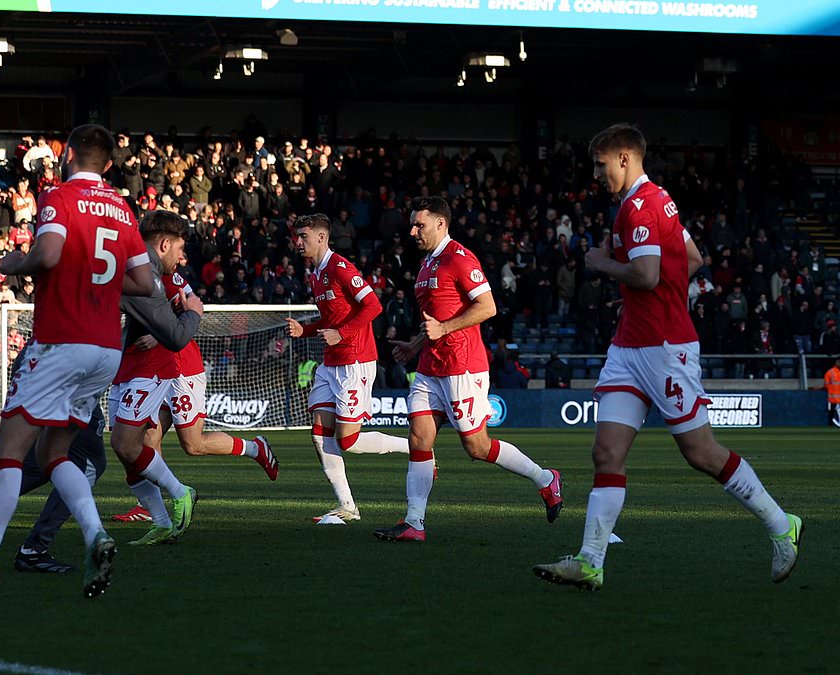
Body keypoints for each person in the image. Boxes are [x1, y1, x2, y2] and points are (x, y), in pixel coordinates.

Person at [534, 124, 800, 591]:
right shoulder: (658, 202)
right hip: (630, 345)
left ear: (623, 158)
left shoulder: (640, 206)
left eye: (600, 164)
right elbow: (691, 258)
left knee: (700, 453)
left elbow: (646, 274)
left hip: (664, 348)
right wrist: (648, 294)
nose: (595, 173)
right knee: (606, 452)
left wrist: (602, 265)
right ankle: (590, 562)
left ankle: (782, 524)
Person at [0, 124, 153, 603]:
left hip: (59, 341)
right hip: (105, 351)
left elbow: (49, 253)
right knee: (54, 454)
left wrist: (15, 263)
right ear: (109, 165)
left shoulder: (59, 198)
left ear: (68, 155)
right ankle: (95, 534)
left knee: (8, 452)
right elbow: (146, 283)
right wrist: (101, 285)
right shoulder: (121, 207)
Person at [378, 196, 563, 542]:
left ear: (440, 224)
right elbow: (434, 320)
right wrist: (415, 345)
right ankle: (414, 522)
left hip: (462, 366)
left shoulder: (459, 259)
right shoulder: (426, 265)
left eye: (420, 224)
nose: (413, 230)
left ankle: (545, 478)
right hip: (431, 366)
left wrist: (445, 330)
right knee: (419, 438)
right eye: (412, 224)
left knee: (477, 447)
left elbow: (488, 306)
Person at [110, 264, 280, 525]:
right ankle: (147, 505)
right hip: (153, 368)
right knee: (145, 438)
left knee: (193, 444)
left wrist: (158, 336)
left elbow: (190, 309)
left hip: (181, 367)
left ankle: (255, 448)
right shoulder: (144, 271)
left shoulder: (166, 275)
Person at [285, 213, 409, 524]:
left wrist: (342, 334)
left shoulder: (340, 267)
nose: (298, 242)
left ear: (322, 238)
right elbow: (331, 321)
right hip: (331, 362)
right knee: (318, 434)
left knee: (349, 441)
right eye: (297, 237)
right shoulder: (315, 274)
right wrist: (307, 330)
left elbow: (374, 306)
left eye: (304, 236)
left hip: (355, 359)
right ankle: (347, 506)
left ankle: (415, 447)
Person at [105, 210, 207, 545]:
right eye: (180, 249)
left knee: (125, 443)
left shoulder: (149, 274)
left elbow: (175, 337)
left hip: (152, 367)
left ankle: (181, 493)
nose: (183, 257)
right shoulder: (140, 269)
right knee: (124, 450)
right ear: (164, 244)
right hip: (126, 365)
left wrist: (193, 311)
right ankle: (162, 522)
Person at [0, 407, 108, 574]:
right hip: (66, 389)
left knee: (32, 467)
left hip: (40, 392)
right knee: (86, 465)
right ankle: (34, 548)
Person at [825, 357, 840, 429]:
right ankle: (830, 425)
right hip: (832, 398)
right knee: (831, 411)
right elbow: (826, 384)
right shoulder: (830, 372)